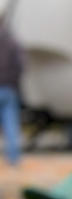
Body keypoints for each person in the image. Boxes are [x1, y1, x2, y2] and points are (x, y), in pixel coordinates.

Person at [0, 14, 23, 166]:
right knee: (11, 125)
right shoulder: (13, 41)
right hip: (9, 87)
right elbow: (22, 65)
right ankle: (13, 160)